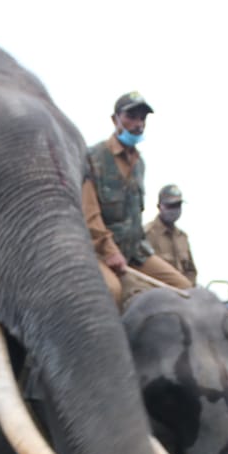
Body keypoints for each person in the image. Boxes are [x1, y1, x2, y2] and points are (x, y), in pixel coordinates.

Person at [82, 92, 191, 306]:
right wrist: (110, 251)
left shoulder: (139, 163)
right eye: (131, 117)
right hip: (99, 252)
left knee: (185, 289)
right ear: (115, 120)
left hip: (135, 252)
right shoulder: (93, 158)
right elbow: (90, 215)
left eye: (142, 118)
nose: (138, 124)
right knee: (113, 291)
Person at [144, 183, 198, 285]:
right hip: (158, 292)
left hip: (184, 292)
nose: (174, 210)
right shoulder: (147, 234)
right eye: (170, 206)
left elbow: (191, 271)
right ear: (159, 207)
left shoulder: (182, 237)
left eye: (178, 206)